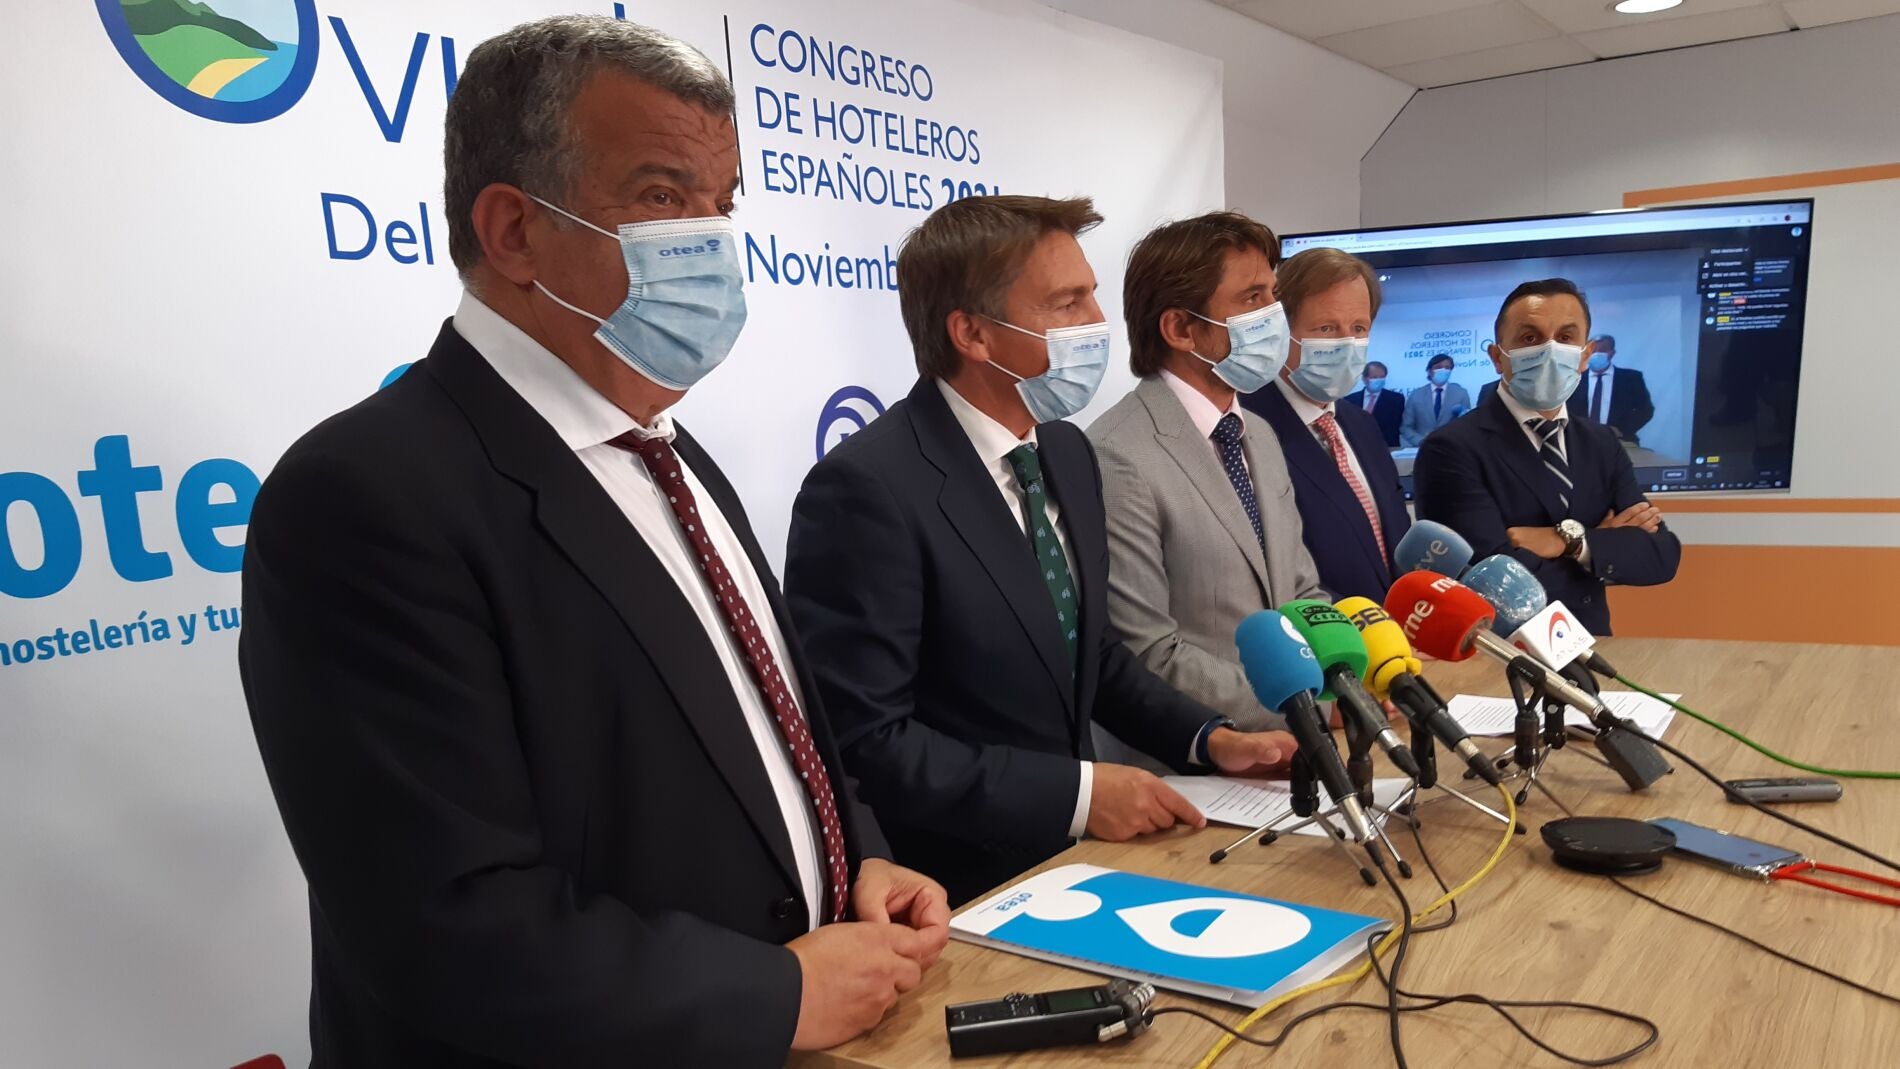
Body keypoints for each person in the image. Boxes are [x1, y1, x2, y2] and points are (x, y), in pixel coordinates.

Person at [238, 18, 948, 1066]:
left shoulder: (670, 451)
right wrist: (776, 991)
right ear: (514, 231)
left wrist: (859, 859)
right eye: (662, 196)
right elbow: (442, 920)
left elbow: (771, 726)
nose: (712, 240)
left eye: (722, 204)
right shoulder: (363, 495)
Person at [783, 196, 1293, 905]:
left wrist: (1208, 739)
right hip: (957, 890)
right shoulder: (867, 488)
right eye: (1067, 303)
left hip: (1081, 867)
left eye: (1092, 294)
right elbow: (867, 743)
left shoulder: (1065, 451)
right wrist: (1078, 795)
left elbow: (1093, 655)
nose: (1097, 321)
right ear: (972, 333)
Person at [1086, 211, 1321, 752]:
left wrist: (1344, 680)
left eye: (1273, 296)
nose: (1274, 316)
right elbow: (1150, 651)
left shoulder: (1258, 432)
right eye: (1252, 298)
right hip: (1196, 763)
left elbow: (1301, 589)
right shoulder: (1117, 453)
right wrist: (1300, 709)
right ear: (1180, 329)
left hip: (1299, 743)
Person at [1413, 279, 1680, 635]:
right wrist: (1601, 548)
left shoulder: (1601, 443)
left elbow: (1661, 556)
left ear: (1585, 355)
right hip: (1500, 656)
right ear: (1497, 357)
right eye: (1529, 338)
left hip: (1593, 648)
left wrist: (1569, 541)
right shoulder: (1450, 448)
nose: (1550, 350)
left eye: (1566, 337)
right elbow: (1492, 585)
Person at [1241, 248, 1411, 603]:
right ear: (1280, 330)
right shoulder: (1244, 428)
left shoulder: (1362, 425)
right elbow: (1270, 572)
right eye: (1326, 328)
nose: (1346, 344)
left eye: (1358, 328)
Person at [1568, 334, 1655, 444]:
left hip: (1619, 441)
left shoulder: (1631, 379)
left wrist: (1621, 430)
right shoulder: (1573, 379)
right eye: (1592, 351)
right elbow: (1563, 411)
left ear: (1612, 353)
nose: (1596, 354)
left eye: (1602, 350)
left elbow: (1645, 410)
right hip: (1579, 441)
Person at [1400, 353, 1471, 446]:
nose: (1443, 370)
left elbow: (1467, 425)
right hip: (1422, 447)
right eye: (1439, 367)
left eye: (1447, 368)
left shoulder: (1461, 393)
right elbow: (1406, 427)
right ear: (1430, 371)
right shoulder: (1416, 395)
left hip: (1451, 447)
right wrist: (1421, 441)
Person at [1343, 360, 1404, 447]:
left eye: (1382, 377)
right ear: (1364, 379)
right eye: (1374, 377)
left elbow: (1395, 427)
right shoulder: (1350, 400)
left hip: (1386, 447)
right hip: (1357, 446)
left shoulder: (1396, 399)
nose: (1378, 380)